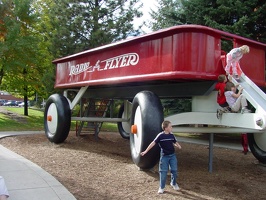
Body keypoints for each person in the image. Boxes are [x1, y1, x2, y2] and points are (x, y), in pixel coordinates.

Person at [140, 120, 182, 194]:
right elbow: (153, 143)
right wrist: (145, 151)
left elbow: (174, 141)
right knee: (163, 172)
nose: (171, 127)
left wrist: (177, 145)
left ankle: (173, 183)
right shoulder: (160, 135)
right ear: (166, 128)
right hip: (164, 157)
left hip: (172, 156)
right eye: (170, 126)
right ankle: (162, 187)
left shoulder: (171, 135)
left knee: (174, 171)